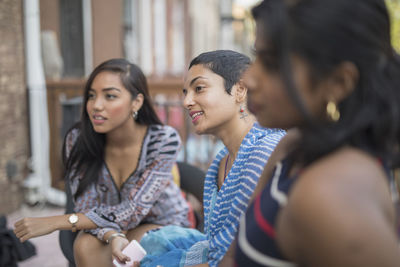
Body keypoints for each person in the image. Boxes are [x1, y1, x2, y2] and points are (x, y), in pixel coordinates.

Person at [233, 0, 400, 266]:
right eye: (256, 58)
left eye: (272, 63)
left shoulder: (330, 195)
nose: (249, 79)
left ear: (338, 82)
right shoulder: (292, 147)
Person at [13, 58, 190, 267]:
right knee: (85, 246)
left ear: (137, 102)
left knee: (139, 246)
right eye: (91, 95)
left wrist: (56, 222)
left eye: (110, 96)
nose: (96, 105)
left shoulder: (163, 139)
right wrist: (112, 236)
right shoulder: (78, 139)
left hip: (162, 224)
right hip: (109, 225)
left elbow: (132, 211)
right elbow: (87, 205)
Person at [137, 50, 285, 267]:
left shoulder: (265, 152)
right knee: (153, 243)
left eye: (199, 89)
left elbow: (252, 251)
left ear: (240, 90)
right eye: (186, 92)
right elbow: (217, 245)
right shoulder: (220, 163)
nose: (187, 101)